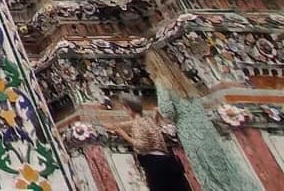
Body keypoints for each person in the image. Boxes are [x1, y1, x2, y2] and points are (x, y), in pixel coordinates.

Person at [144, 48, 262, 191]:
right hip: (205, 126)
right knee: (223, 163)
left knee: (206, 168)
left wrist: (159, 111)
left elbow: (167, 110)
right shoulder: (180, 78)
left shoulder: (161, 81)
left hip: (189, 130)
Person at [105, 93, 190, 190]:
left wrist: (123, 134)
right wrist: (114, 126)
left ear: (128, 108)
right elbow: (123, 125)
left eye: (124, 107)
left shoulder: (138, 123)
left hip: (156, 164)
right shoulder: (147, 120)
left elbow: (141, 145)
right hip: (168, 161)